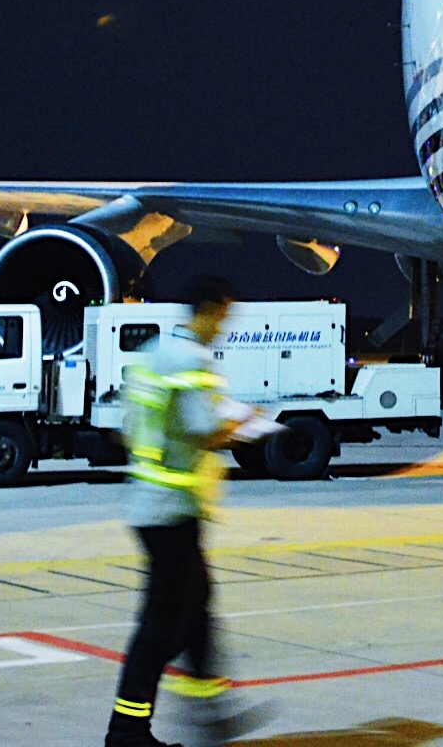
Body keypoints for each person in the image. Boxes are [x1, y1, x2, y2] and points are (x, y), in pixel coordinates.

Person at [109, 274, 274, 747]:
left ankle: (210, 713)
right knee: (162, 630)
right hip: (173, 508)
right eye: (224, 316)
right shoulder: (195, 361)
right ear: (209, 310)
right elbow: (206, 432)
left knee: (197, 611)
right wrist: (249, 424)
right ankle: (126, 730)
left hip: (150, 502)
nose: (223, 327)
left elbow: (129, 427)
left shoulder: (152, 356)